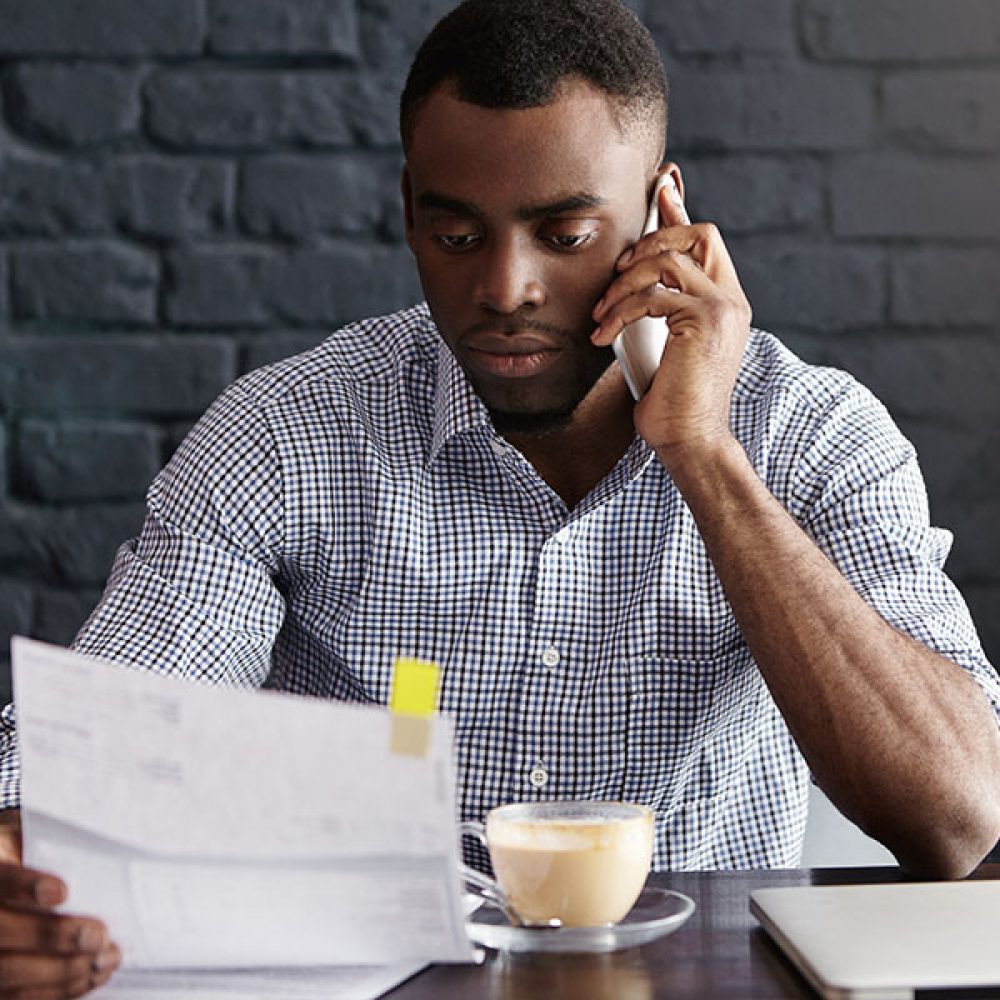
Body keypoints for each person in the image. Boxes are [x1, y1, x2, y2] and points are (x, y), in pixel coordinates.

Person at [1, 0, 999, 994]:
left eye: (563, 234)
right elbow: (101, 740)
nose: (504, 287)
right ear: (406, 209)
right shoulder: (285, 436)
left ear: (663, 216)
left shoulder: (814, 438)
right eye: (454, 233)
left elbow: (961, 820)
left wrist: (703, 454)